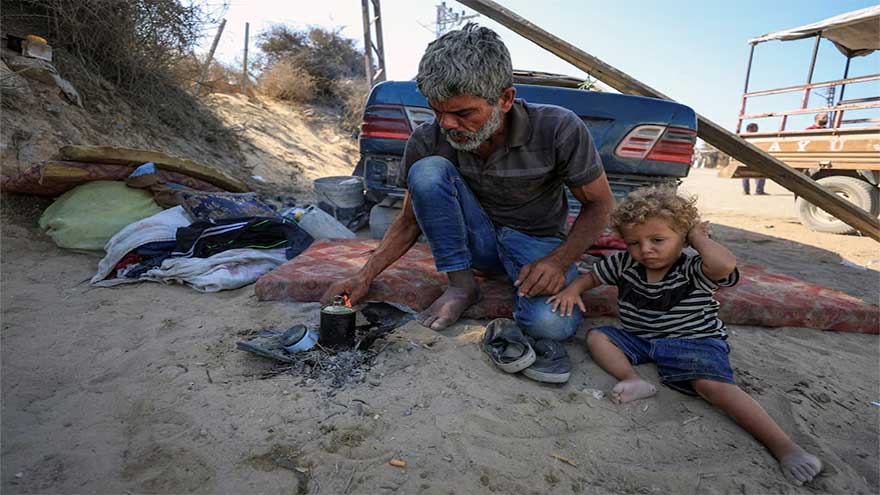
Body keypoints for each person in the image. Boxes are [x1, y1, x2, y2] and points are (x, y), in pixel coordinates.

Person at [321, 24, 615, 370]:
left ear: (505, 99)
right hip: (478, 246)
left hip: (537, 244)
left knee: (551, 325)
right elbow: (409, 221)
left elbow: (600, 204)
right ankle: (462, 286)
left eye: (463, 113)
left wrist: (558, 262)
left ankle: (525, 276)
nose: (447, 124)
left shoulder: (558, 127)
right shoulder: (428, 139)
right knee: (428, 170)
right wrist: (364, 276)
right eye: (437, 111)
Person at [546, 187, 823, 486]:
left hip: (693, 341)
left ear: (683, 237)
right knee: (598, 337)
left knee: (711, 385)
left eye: (658, 240)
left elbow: (724, 265)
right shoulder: (625, 263)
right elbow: (593, 276)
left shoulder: (694, 268)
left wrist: (697, 237)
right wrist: (573, 290)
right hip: (641, 338)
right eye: (634, 242)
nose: (646, 250)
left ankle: (786, 448)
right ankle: (633, 379)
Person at [741, 123, 766, 195]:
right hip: (750, 157)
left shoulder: (744, 136)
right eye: (755, 128)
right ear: (750, 129)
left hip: (751, 157)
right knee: (758, 174)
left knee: (747, 174)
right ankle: (757, 190)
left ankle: (749, 190)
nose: (756, 130)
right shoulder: (749, 137)